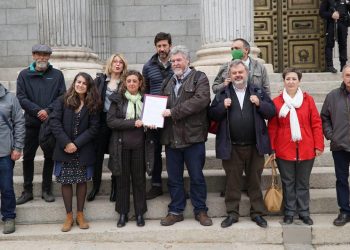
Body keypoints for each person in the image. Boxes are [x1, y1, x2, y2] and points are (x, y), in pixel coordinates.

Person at [209, 59, 275, 228]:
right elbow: (211, 115)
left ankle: (258, 213)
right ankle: (232, 213)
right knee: (233, 181)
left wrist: (259, 103)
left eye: (240, 72)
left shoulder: (257, 91)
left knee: (255, 180)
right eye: (234, 73)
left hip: (255, 145)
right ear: (230, 76)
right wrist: (221, 107)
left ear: (247, 73)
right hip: (232, 146)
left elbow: (271, 111)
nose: (238, 75)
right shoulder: (222, 94)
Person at [159, 45, 212, 227]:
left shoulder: (200, 78)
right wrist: (153, 116)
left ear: (188, 61)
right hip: (172, 138)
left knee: (196, 176)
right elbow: (160, 106)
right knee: (174, 178)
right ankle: (175, 211)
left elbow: (200, 101)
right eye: (173, 61)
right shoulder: (168, 81)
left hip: (193, 137)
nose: (175, 63)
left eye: (179, 60)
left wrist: (173, 112)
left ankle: (201, 210)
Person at [268, 68, 324, 225]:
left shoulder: (308, 100)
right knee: (288, 182)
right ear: (284, 81)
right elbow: (272, 127)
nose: (291, 82)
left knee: (303, 183)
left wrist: (318, 144)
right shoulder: (277, 102)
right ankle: (290, 212)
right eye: (288, 79)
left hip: (306, 148)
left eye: (294, 79)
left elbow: (316, 123)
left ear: (299, 81)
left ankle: (304, 212)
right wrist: (272, 148)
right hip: (284, 149)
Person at [49, 72, 100, 232]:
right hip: (64, 148)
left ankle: (80, 214)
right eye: (78, 82)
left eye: (84, 83)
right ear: (74, 83)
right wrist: (67, 142)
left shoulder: (93, 104)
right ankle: (69, 216)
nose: (80, 85)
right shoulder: (62, 100)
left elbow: (94, 128)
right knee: (66, 181)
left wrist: (76, 144)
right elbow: (54, 122)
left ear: (88, 87)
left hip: (82, 148)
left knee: (82, 181)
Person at [16, 44, 66, 205]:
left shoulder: (57, 75)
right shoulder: (23, 75)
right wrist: (38, 111)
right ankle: (27, 190)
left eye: (45, 55)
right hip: (31, 122)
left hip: (50, 123)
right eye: (39, 54)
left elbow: (62, 96)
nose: (42, 57)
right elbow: (21, 97)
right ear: (33, 56)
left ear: (49, 57)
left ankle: (46, 189)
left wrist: (47, 111)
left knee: (49, 156)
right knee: (28, 157)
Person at [107, 70, 154, 227]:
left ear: (140, 83)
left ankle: (140, 213)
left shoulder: (148, 101)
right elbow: (111, 121)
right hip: (121, 147)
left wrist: (153, 124)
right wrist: (133, 123)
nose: (132, 83)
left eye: (135, 81)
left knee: (139, 181)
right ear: (125, 83)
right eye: (129, 81)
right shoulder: (117, 100)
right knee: (122, 180)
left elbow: (154, 120)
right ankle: (123, 213)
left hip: (141, 147)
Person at [87, 53, 128, 202]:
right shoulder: (100, 81)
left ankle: (115, 188)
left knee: (116, 155)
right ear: (109, 65)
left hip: (118, 123)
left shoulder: (125, 82)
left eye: (120, 62)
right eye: (115, 62)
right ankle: (95, 186)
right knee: (97, 156)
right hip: (101, 122)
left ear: (123, 65)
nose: (117, 64)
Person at [142, 32, 173, 200]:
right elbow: (144, 91)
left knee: (174, 150)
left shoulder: (177, 63)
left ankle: (176, 184)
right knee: (154, 151)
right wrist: (146, 117)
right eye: (159, 46)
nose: (162, 49)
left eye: (165, 45)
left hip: (172, 113)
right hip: (154, 114)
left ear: (170, 46)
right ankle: (156, 185)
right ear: (156, 47)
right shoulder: (148, 66)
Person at [321, 63, 350, 226]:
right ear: (342, 77)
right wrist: (331, 136)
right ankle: (345, 211)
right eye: (347, 75)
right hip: (340, 146)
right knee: (341, 179)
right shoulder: (332, 96)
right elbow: (324, 117)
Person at [0, 83, 25, 234]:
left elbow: (19, 123)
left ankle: (9, 217)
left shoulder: (10, 98)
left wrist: (17, 147)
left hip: (5, 153)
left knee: (7, 187)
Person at [320, 0, 350, 73]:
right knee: (329, 45)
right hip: (331, 24)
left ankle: (343, 66)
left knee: (343, 45)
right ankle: (330, 66)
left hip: (343, 24)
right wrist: (331, 15)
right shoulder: (327, 1)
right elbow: (321, 13)